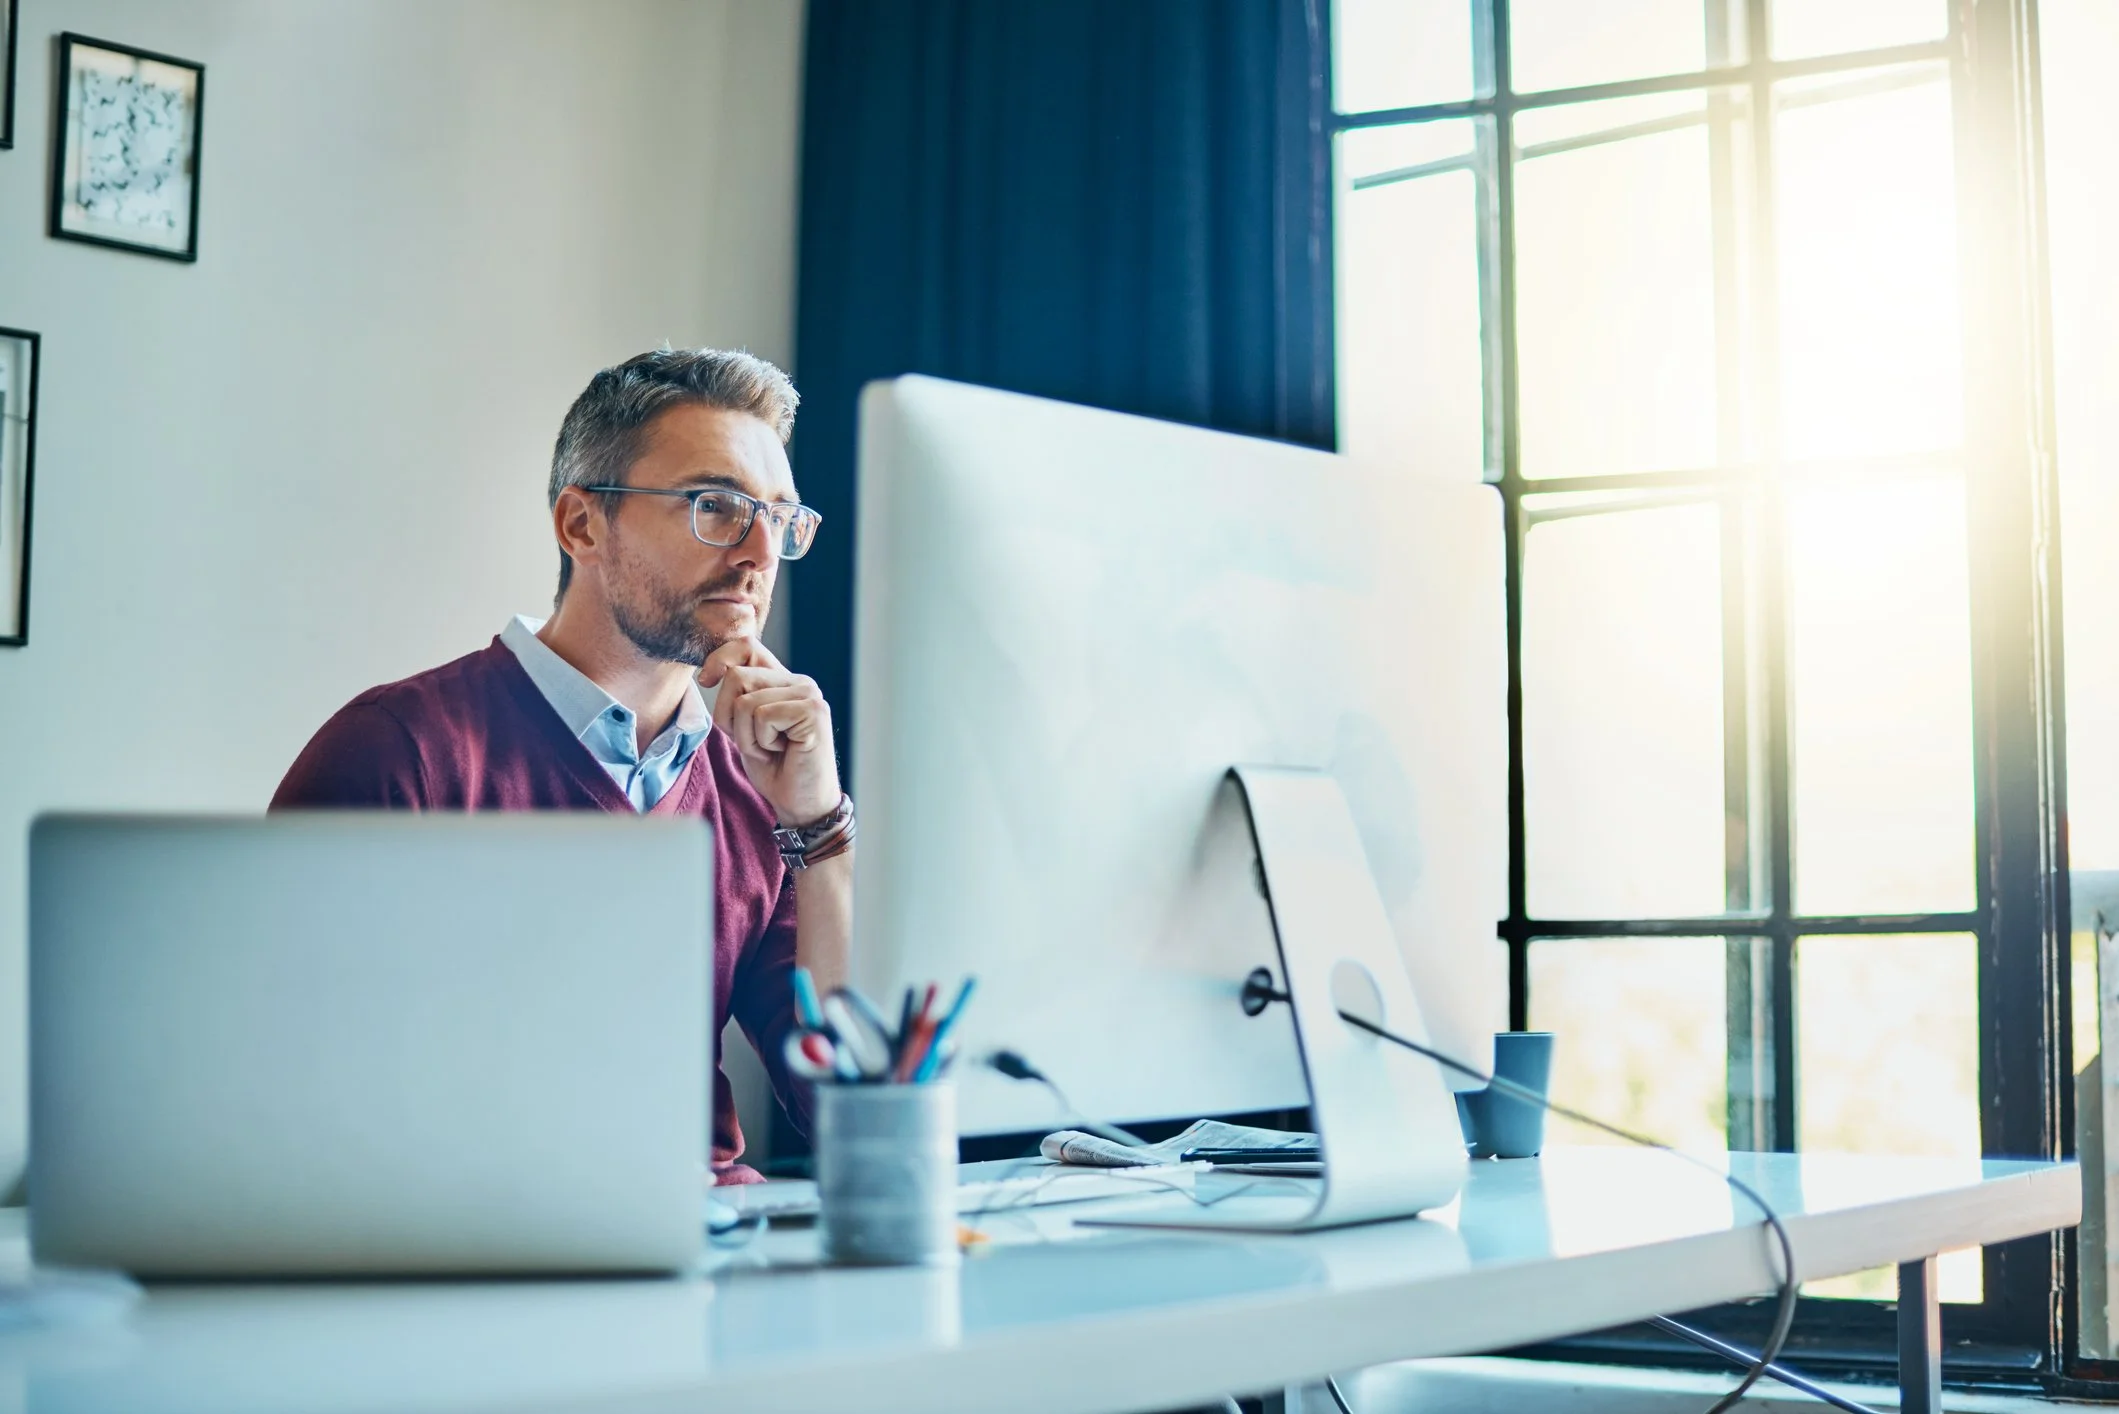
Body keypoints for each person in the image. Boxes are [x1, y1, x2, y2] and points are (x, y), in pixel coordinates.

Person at [272, 348, 848, 1183]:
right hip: (466, 1246)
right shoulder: (398, 752)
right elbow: (290, 1097)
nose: (761, 550)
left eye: (780, 516)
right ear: (582, 525)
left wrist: (818, 826)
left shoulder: (764, 781)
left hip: (708, 1244)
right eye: (716, 505)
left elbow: (848, 1109)